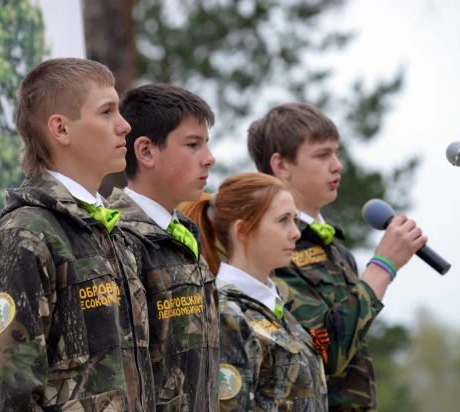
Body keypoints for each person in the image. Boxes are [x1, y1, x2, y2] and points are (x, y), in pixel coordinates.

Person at [0, 58, 154, 411]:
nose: (124, 125)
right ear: (61, 130)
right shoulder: (25, 236)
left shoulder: (113, 234)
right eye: (106, 112)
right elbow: (9, 398)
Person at [247, 102, 428, 411]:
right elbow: (325, 352)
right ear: (281, 165)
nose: (337, 165)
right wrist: (382, 266)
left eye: (335, 153)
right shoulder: (273, 245)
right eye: (322, 155)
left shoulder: (336, 249)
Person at [107, 84, 219, 411]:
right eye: (193, 145)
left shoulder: (182, 234)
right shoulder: (117, 237)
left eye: (206, 144)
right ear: (145, 152)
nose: (209, 159)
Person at [181, 172, 328, 411]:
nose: (296, 233)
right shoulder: (224, 313)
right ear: (242, 230)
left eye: (295, 220)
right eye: (283, 220)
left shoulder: (275, 305)